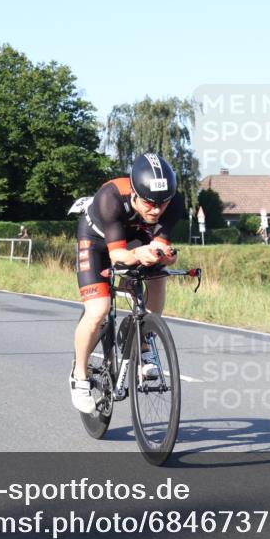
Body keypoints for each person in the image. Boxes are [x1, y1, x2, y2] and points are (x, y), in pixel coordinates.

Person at [70, 153, 183, 413]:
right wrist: (135, 256)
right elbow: (117, 256)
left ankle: (143, 341)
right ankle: (79, 376)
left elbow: (159, 243)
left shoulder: (173, 202)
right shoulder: (111, 198)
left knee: (157, 273)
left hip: (132, 236)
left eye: (162, 204)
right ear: (134, 193)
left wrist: (163, 254)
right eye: (149, 203)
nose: (156, 210)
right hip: (97, 240)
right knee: (98, 310)